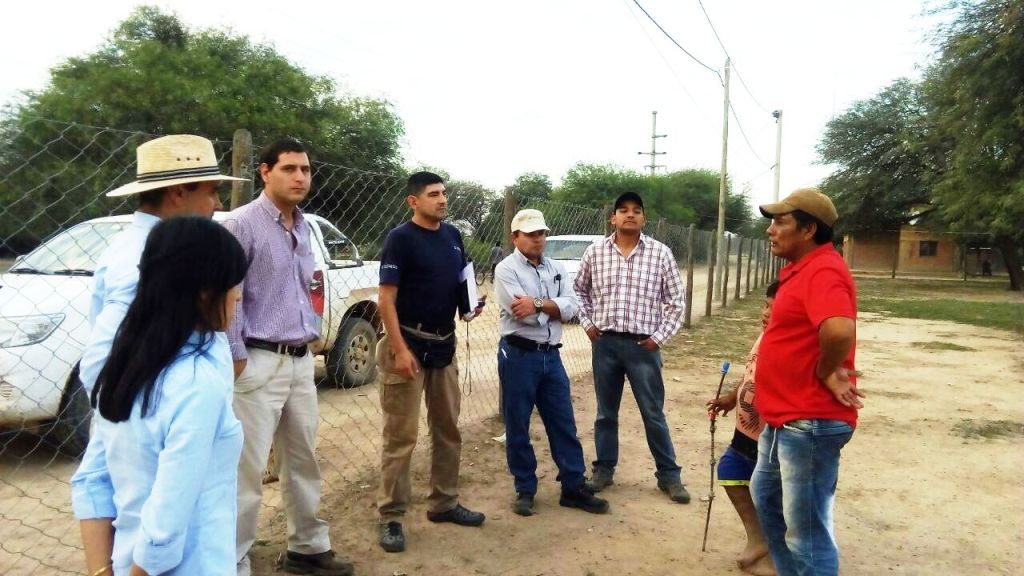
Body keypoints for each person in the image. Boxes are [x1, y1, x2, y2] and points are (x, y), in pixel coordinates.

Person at [71, 134, 244, 572]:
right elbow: (103, 376)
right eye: (210, 190)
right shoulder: (147, 265)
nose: (218, 203)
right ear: (177, 192)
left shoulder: (138, 255)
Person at [224, 138, 353, 576]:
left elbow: (303, 290)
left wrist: (312, 339)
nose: (300, 177)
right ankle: (232, 559)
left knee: (302, 461)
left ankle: (308, 548)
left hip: (300, 361)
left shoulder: (302, 227)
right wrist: (236, 356)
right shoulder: (241, 224)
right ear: (265, 172)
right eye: (289, 169)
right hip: (257, 360)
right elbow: (230, 295)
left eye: (306, 169)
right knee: (246, 470)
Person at [752, 188, 865, 576]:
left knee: (807, 534)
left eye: (780, 222)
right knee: (765, 497)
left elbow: (837, 331)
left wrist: (825, 370)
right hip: (786, 418)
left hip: (810, 421)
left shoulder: (824, 269)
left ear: (808, 229)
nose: (771, 230)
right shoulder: (803, 270)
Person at [375, 171, 487, 553]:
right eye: (433, 194)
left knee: (447, 429)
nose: (442, 200)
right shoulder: (400, 240)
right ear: (413, 201)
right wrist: (400, 349)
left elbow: (461, 288)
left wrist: (470, 309)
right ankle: (391, 516)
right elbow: (385, 300)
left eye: (444, 193)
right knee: (401, 437)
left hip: (444, 346)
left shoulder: (453, 237)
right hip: (405, 346)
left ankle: (444, 503)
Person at [574, 191, 689, 504]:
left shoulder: (660, 254)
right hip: (606, 344)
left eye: (636, 211)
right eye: (623, 210)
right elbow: (578, 293)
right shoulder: (596, 252)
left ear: (644, 219)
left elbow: (676, 302)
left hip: (643, 346)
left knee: (653, 413)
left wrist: (658, 338)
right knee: (605, 414)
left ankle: (669, 476)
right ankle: (604, 469)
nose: (630, 215)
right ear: (613, 218)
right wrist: (588, 325)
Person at [494, 209, 609, 517]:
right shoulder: (506, 270)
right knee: (518, 424)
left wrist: (539, 303)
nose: (537, 239)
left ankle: (573, 486)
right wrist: (550, 307)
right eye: (530, 234)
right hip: (518, 355)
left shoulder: (556, 267)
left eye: (541, 233)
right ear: (515, 237)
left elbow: (573, 307)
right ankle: (525, 488)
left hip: (551, 355)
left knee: (563, 423)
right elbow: (523, 314)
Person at [707, 281, 779, 576]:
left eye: (773, 310)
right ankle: (757, 537)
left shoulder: (789, 345)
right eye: (765, 305)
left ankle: (778, 553)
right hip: (745, 431)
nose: (765, 313)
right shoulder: (764, 336)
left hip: (770, 436)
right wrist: (731, 397)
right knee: (731, 471)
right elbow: (750, 372)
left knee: (773, 494)